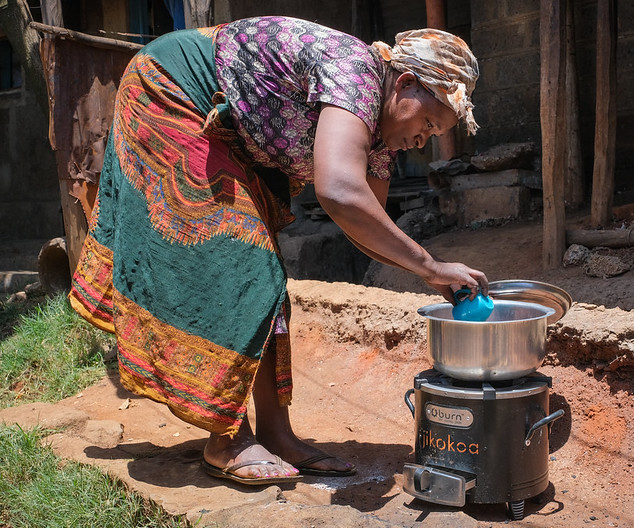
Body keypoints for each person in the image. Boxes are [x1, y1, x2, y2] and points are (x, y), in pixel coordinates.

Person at [69, 15, 487, 486]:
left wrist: (430, 275)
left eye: (434, 133)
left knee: (268, 285)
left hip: (229, 130)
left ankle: (275, 431)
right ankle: (225, 438)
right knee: (241, 264)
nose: (423, 140)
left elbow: (363, 226)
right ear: (405, 83)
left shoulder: (379, 141)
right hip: (171, 91)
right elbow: (338, 191)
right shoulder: (356, 73)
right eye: (428, 122)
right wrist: (431, 265)